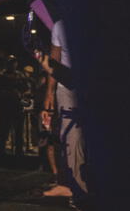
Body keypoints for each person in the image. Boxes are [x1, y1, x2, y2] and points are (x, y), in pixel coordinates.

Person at [40, 20, 87, 203]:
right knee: (71, 138)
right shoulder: (60, 25)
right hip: (66, 86)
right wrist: (49, 94)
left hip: (96, 83)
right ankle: (77, 191)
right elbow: (54, 61)